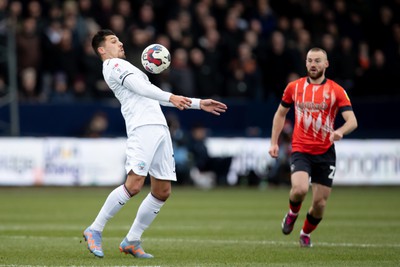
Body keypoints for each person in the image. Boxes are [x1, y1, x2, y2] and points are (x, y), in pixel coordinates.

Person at [83, 29, 227, 259]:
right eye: (113, 41)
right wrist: (170, 97)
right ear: (101, 49)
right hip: (142, 128)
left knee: (162, 191)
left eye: (119, 39)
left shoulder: (128, 66)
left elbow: (153, 94)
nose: (120, 43)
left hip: (159, 128)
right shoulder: (113, 66)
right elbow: (145, 89)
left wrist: (199, 104)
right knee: (134, 184)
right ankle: (95, 229)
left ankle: (132, 240)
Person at [268, 47, 357, 247]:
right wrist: (274, 142)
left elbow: (352, 121)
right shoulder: (294, 87)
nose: (313, 64)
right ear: (305, 63)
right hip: (301, 149)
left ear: (326, 64)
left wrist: (340, 131)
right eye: (309, 60)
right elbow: (280, 114)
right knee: (299, 189)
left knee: (319, 204)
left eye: (317, 61)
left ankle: (305, 233)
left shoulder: (336, 90)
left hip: (325, 152)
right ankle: (292, 213)